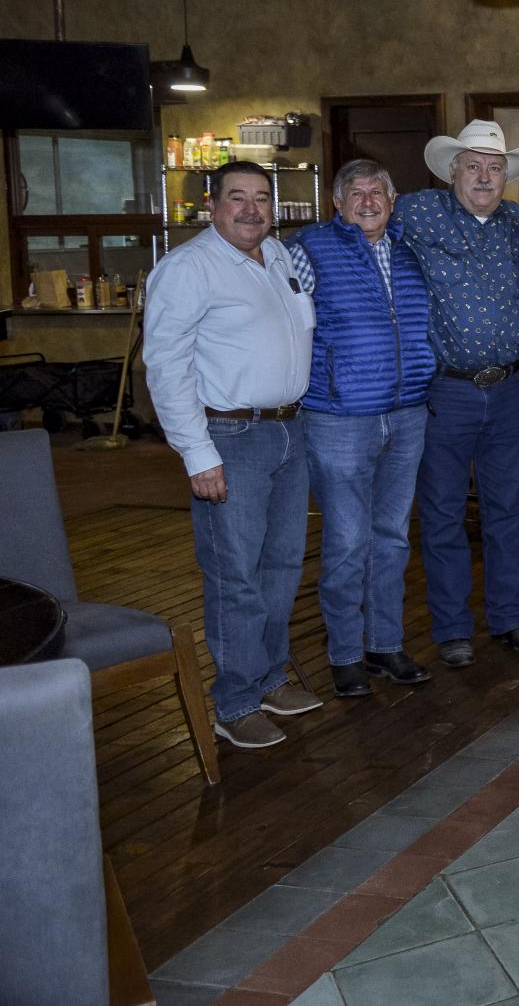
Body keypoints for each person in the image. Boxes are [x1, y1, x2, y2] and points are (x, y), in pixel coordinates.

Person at [143, 160, 320, 749]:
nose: (251, 209)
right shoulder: (188, 267)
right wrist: (198, 454)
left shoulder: (277, 258)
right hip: (230, 438)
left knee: (281, 568)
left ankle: (269, 678)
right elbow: (166, 366)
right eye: (237, 197)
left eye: (262, 198)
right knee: (234, 575)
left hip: (289, 433)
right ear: (212, 205)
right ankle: (235, 700)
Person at [397, 119, 519, 669]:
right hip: (445, 391)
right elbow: (358, 215)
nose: (485, 176)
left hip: (510, 388)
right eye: (474, 166)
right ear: (452, 170)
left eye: (494, 167)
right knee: (440, 513)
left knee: (507, 509)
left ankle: (512, 618)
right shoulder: (414, 213)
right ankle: (453, 628)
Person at [287, 159, 436, 697]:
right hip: (338, 417)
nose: (368, 200)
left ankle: (385, 645)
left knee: (392, 538)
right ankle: (345, 652)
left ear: (393, 199)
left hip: (407, 412)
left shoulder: (410, 249)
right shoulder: (309, 249)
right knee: (348, 540)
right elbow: (285, 322)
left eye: (378, 190)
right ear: (337, 202)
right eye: (356, 192)